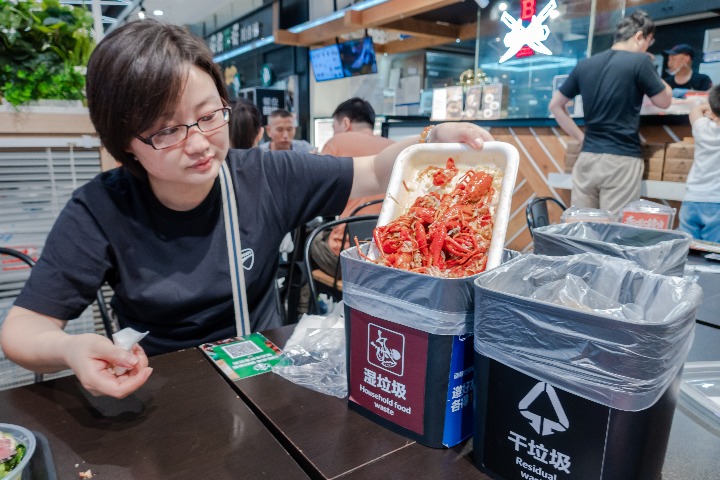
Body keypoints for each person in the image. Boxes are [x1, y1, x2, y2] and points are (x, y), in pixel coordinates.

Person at [0, 19, 493, 399]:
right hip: (162, 392)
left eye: (208, 115)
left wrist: (433, 139)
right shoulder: (100, 208)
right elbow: (22, 329)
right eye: (167, 130)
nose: (197, 144)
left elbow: (375, 172)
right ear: (125, 144)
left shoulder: (262, 175)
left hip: (265, 383)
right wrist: (69, 349)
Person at [548, 10, 672, 213]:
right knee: (612, 234)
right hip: (621, 160)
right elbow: (664, 101)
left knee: (582, 229)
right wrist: (651, 66)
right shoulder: (640, 62)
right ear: (639, 36)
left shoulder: (585, 64)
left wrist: (581, 138)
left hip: (587, 159)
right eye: (649, 42)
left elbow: (555, 105)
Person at [310, 97, 395, 277]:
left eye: (334, 127)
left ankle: (306, 305)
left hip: (349, 258)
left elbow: (317, 196)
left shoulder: (338, 142)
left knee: (310, 240)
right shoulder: (393, 147)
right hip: (387, 261)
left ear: (345, 123)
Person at [678, 85, 720, 243]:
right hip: (717, 202)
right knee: (713, 257)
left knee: (688, 252)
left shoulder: (702, 129)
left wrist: (710, 106)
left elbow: (695, 110)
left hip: (692, 199)